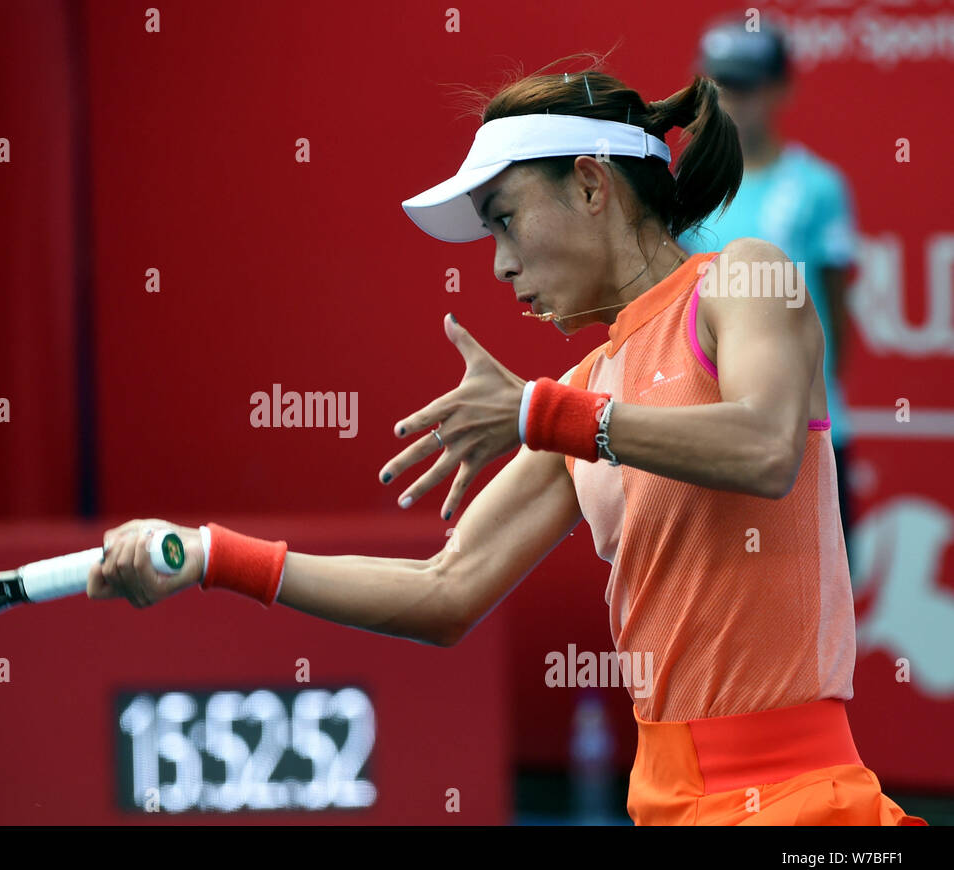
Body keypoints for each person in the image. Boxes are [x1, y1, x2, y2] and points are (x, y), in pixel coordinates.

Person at [88, 65, 924, 826]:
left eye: (507, 220)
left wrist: (542, 413)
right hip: (666, 808)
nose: (498, 265)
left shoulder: (747, 274)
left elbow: (767, 446)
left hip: (806, 806)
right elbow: (445, 590)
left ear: (591, 186)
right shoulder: (581, 391)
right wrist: (208, 556)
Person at [680, 19, 860, 565]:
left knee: (818, 598)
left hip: (808, 431)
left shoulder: (818, 187)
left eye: (747, 85)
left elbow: (837, 316)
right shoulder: (682, 187)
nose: (732, 100)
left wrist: (799, 389)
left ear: (780, 89)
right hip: (699, 429)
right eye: (719, 85)